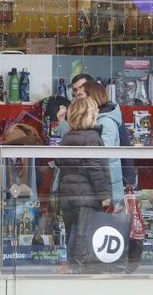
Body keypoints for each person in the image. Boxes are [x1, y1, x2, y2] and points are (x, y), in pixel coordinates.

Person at [55, 97, 111, 272]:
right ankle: (81, 271)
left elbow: (60, 163)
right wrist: (104, 195)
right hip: (87, 197)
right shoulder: (92, 137)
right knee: (84, 236)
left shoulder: (67, 136)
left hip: (68, 196)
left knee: (73, 234)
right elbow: (95, 169)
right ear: (90, 115)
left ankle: (72, 266)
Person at [82, 81, 124, 204]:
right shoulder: (96, 119)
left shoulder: (106, 121)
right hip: (101, 186)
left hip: (106, 189)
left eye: (82, 96)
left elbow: (102, 153)